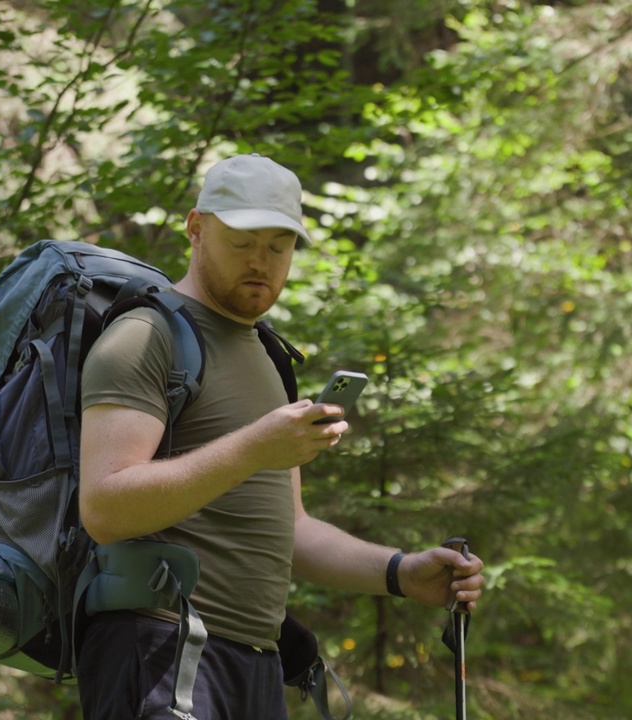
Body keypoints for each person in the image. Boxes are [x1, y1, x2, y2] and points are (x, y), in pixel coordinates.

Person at [76, 153, 486, 719]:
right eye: (243, 241)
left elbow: (292, 530)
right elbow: (104, 507)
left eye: (279, 245)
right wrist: (252, 449)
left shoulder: (268, 355)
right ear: (197, 228)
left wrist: (401, 572)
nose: (261, 262)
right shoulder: (146, 336)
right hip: (163, 651)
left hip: (254, 665)